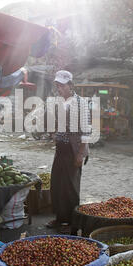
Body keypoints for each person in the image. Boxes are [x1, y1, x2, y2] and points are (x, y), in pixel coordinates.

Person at [47, 70, 91, 229]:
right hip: (61, 149)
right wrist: (53, 132)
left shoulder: (81, 103)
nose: (59, 88)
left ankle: (73, 221)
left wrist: (80, 154)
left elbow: (86, 130)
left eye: (62, 85)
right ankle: (60, 218)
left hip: (75, 149)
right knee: (57, 184)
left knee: (71, 187)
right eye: (57, 85)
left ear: (70, 85)